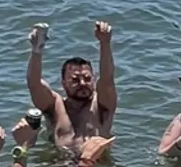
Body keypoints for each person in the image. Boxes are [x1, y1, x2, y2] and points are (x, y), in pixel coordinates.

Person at [27, 20, 117, 157]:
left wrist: (105, 43)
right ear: (63, 83)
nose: (82, 83)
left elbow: (107, 80)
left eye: (87, 78)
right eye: (75, 80)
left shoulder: (102, 104)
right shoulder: (55, 106)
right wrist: (36, 50)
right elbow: (34, 84)